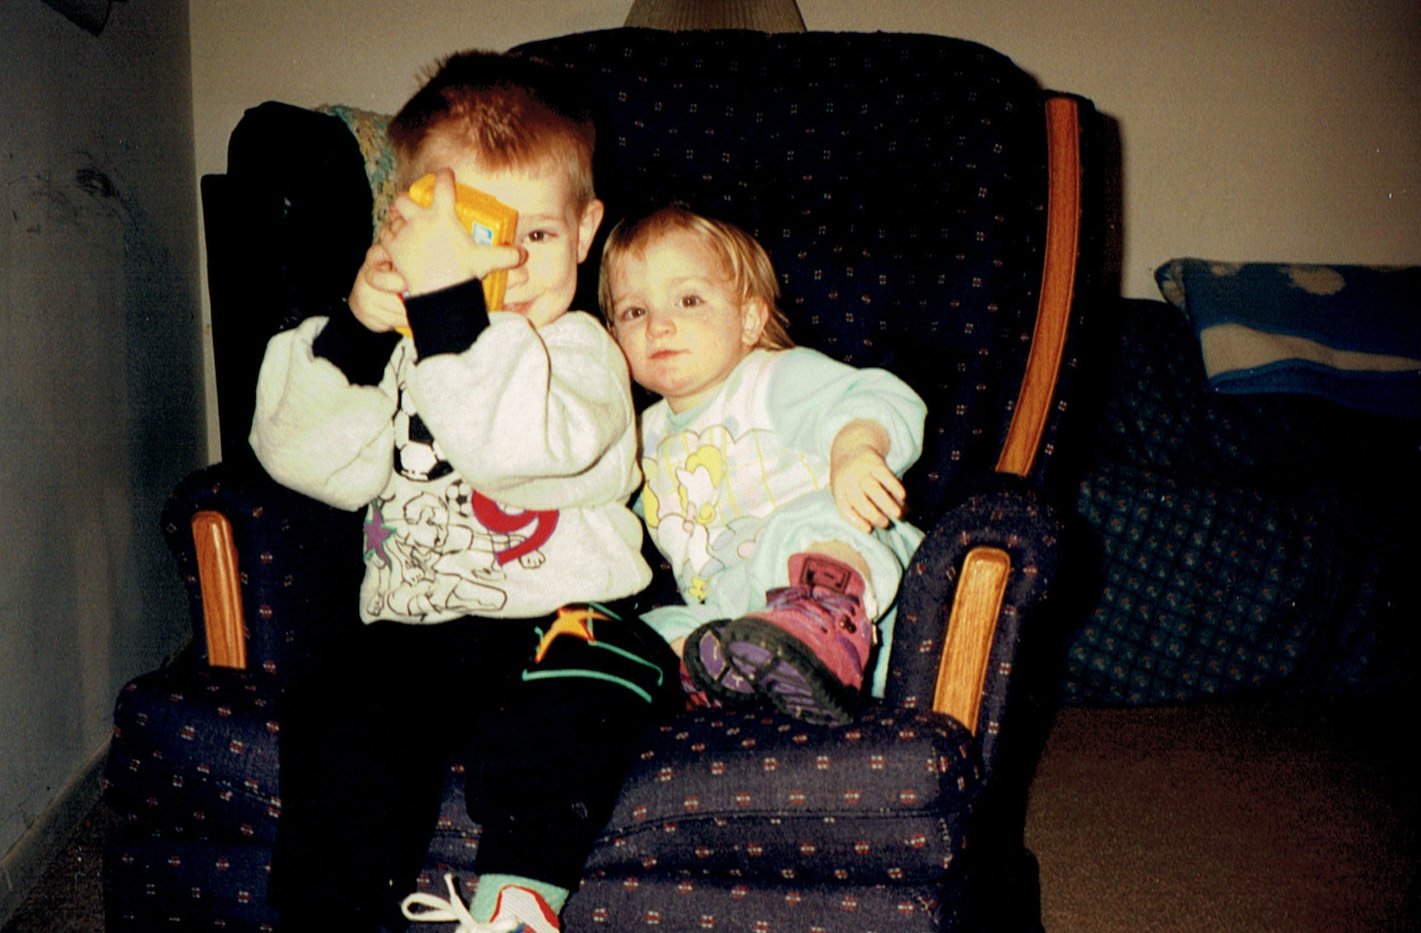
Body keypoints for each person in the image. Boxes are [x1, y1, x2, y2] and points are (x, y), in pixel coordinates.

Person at [250, 50, 678, 932]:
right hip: (420, 625)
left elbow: (509, 450)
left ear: (587, 229)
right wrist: (364, 331)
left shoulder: (584, 351)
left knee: (578, 706)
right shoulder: (404, 346)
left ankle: (517, 896)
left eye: (540, 234)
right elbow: (303, 459)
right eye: (478, 231)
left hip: (561, 617)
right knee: (337, 713)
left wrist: (449, 308)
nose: (510, 263)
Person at [599, 204, 927, 726]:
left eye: (688, 300)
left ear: (749, 319)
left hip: (879, 605)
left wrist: (856, 449)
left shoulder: (771, 379)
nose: (659, 325)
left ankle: (820, 619)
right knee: (646, 631)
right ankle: (716, 676)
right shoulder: (637, 441)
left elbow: (878, 394)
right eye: (634, 312)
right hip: (748, 623)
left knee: (813, 516)